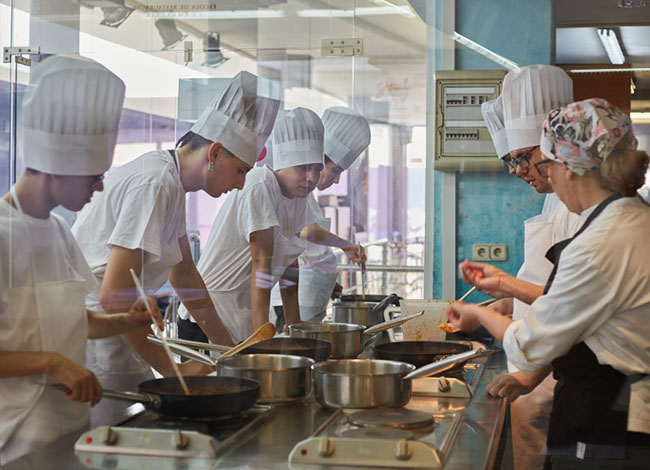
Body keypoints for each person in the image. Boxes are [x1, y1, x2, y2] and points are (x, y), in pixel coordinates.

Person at [448, 98, 650, 469]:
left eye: (547, 165)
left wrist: (478, 314)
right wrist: (529, 378)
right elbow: (578, 321)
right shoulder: (632, 217)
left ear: (571, 168)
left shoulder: (599, 243)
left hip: (610, 424)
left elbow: (529, 344)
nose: (549, 179)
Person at [71, 71, 280, 421]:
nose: (242, 184)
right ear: (215, 152)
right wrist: (173, 370)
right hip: (99, 343)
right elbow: (115, 297)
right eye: (240, 170)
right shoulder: (155, 183)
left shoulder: (170, 182)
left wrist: (227, 349)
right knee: (121, 435)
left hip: (123, 333)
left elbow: (184, 275)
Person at [0, 56, 163, 464]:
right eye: (94, 176)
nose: (100, 187)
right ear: (58, 168)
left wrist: (127, 320)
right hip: (14, 443)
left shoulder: (59, 231)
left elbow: (76, 321)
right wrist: (51, 363)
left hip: (67, 431)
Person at [474, 65, 582, 470]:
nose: (518, 171)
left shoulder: (586, 208)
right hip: (540, 362)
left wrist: (494, 304)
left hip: (558, 371)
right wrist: (509, 303)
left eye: (522, 158)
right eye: (511, 161)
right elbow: (553, 287)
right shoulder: (558, 197)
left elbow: (572, 305)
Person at [179, 107, 362, 342]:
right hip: (207, 317)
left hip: (240, 315)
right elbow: (261, 263)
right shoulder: (260, 183)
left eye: (317, 169)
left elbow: (290, 266)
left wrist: (296, 330)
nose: (311, 178)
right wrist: (262, 337)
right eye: (303, 168)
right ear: (282, 164)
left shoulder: (298, 196)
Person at [271, 106, 371, 329]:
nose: (336, 180)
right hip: (297, 296)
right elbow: (306, 232)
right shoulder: (288, 189)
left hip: (309, 293)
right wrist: (346, 245)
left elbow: (306, 249)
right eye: (335, 171)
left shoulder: (306, 195)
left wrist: (328, 281)